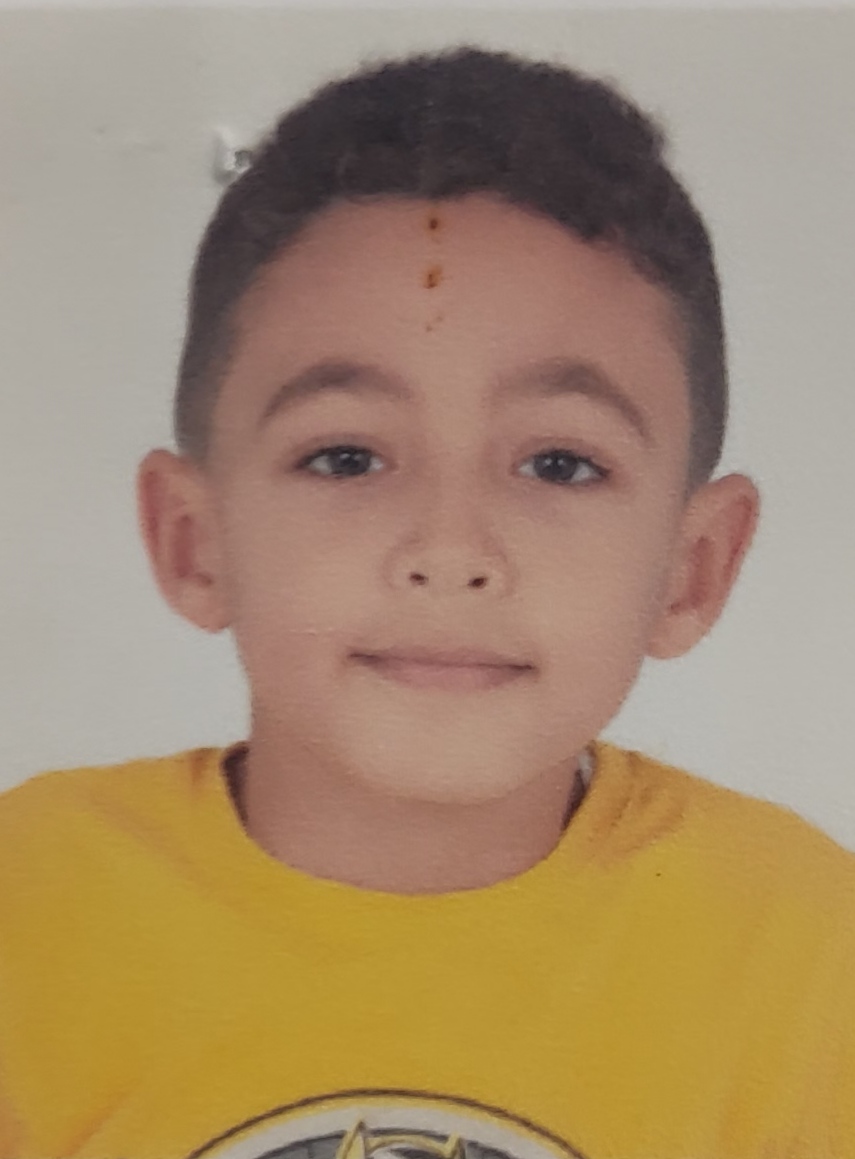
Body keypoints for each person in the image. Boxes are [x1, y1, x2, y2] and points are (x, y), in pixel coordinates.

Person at [0, 44, 852, 1159]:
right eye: (346, 457)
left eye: (559, 464)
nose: (450, 552)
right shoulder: (30, 909)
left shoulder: (804, 952)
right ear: (193, 542)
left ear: (693, 567)